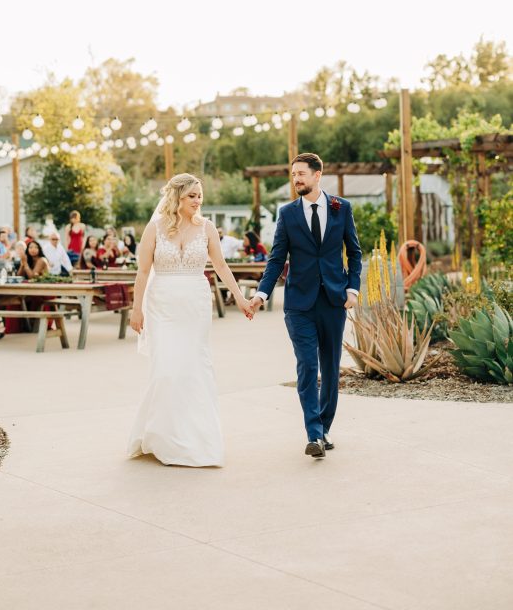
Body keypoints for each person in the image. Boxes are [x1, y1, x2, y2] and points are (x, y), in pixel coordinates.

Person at [126, 173, 253, 467]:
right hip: (162, 306)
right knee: (166, 370)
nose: (197, 201)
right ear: (177, 198)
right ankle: (160, 436)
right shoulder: (154, 228)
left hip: (195, 305)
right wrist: (136, 308)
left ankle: (198, 438)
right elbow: (143, 272)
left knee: (195, 367)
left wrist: (241, 298)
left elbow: (220, 265)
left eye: (199, 196)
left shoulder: (207, 228)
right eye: (191, 196)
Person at [249, 152, 362, 460]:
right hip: (299, 304)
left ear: (317, 175)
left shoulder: (341, 208)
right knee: (308, 366)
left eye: (301, 173)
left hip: (333, 301)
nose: (296, 178)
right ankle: (312, 433)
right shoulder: (287, 214)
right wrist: (262, 293)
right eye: (293, 174)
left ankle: (323, 428)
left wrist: (352, 289)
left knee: (329, 366)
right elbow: (276, 258)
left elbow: (354, 252)